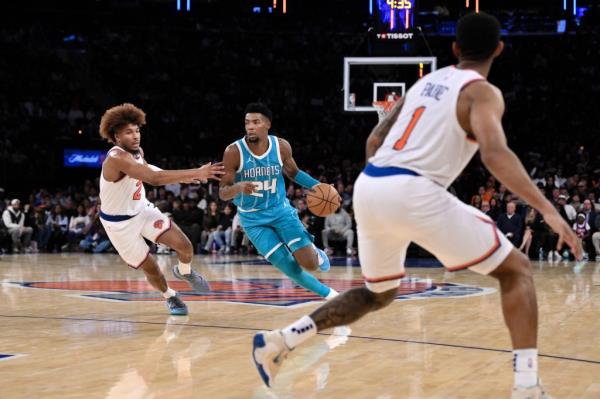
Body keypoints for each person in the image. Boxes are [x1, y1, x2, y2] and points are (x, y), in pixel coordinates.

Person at [251, 13, 582, 398]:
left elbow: (374, 140)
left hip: (372, 186)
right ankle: (527, 387)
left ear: (454, 49)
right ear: (499, 49)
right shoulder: (482, 92)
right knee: (517, 271)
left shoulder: (425, 83)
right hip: (413, 189)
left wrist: (386, 185)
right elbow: (494, 153)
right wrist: (548, 209)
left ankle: (280, 341)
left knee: (380, 294)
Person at [98, 103, 224, 315]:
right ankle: (170, 296)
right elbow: (153, 178)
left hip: (142, 210)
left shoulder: (137, 151)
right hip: (118, 224)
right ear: (117, 137)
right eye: (128, 132)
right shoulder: (116, 158)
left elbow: (149, 169)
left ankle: (184, 271)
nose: (135, 135)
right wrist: (197, 172)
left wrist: (188, 177)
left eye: (137, 130)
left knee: (185, 246)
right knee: (152, 268)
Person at [219, 103, 338, 299]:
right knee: (289, 267)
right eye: (247, 122)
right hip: (253, 220)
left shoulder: (281, 146)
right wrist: (238, 188)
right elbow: (223, 193)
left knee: (310, 264)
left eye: (256, 122)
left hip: (281, 212)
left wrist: (322, 188)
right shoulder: (233, 151)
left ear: (267, 124)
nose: (250, 126)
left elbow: (294, 173)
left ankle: (315, 253)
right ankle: (332, 296)